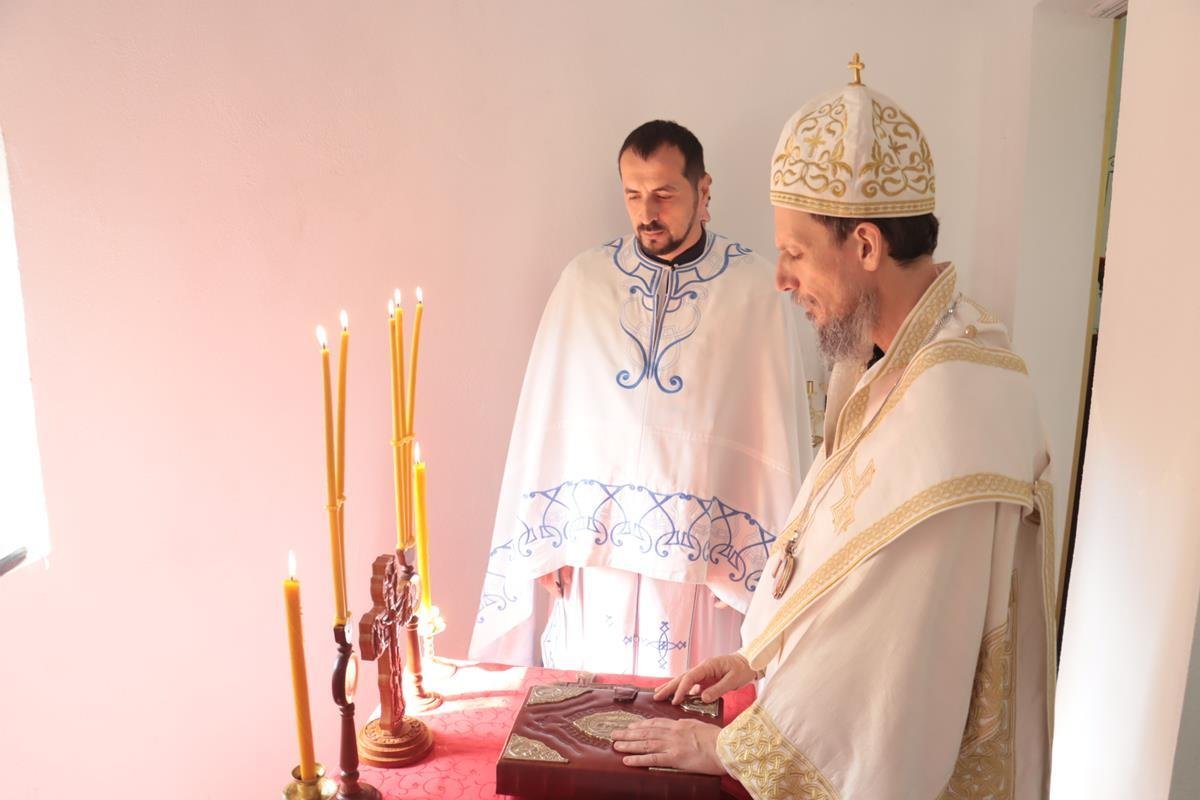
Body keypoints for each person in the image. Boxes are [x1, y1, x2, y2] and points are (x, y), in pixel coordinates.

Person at [611, 58, 1056, 798]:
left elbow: (887, 660)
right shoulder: (902, 355)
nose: (781, 279)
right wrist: (758, 654)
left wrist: (731, 748)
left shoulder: (952, 400)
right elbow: (841, 555)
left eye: (795, 253)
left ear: (867, 247)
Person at [468, 120, 813, 677]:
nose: (647, 212)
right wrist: (547, 543)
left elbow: (773, 434)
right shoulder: (585, 282)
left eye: (664, 194)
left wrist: (752, 565)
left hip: (702, 570)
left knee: (689, 716)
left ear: (703, 191)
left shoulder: (754, 290)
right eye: (633, 194)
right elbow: (547, 421)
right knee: (591, 718)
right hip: (595, 559)